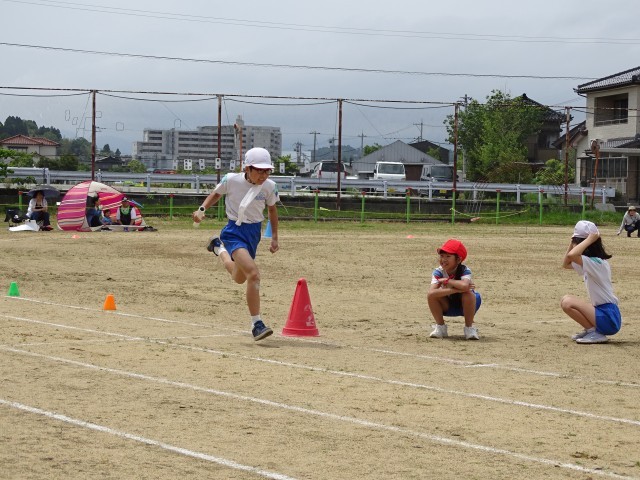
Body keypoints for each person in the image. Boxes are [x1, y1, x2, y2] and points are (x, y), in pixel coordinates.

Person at [193, 147, 280, 341]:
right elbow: (216, 194)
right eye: (259, 170)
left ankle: (218, 248)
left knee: (239, 278)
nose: (264, 175)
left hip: (253, 234)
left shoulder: (269, 187)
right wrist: (201, 210)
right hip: (233, 232)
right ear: (247, 168)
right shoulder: (231, 180)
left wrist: (274, 237)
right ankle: (257, 324)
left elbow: (272, 211)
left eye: (267, 171)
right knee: (253, 274)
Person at [561, 220, 622, 344]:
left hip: (609, 317)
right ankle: (592, 331)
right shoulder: (591, 262)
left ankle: (594, 333)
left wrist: (589, 239)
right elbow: (566, 264)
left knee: (568, 302)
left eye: (576, 242)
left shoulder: (596, 263)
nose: (574, 245)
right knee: (565, 299)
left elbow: (572, 256)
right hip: (603, 314)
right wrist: (573, 241)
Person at [427, 239, 482, 340]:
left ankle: (469, 328)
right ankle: (440, 327)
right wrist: (456, 290)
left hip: (466, 306)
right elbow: (432, 292)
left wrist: (447, 281)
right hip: (447, 305)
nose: (443, 259)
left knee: (468, 294)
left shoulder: (464, 270)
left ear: (458, 260)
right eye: (442, 256)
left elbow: (465, 286)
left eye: (448, 256)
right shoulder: (438, 271)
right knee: (431, 295)